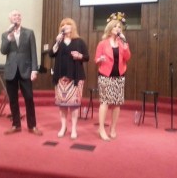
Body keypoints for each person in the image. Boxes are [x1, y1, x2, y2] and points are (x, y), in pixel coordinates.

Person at [0, 9, 42, 136]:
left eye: (18, 15)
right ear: (10, 19)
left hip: (26, 70)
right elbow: (3, 51)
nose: (17, 17)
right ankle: (16, 125)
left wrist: (34, 69)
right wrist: (9, 38)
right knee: (13, 99)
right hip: (11, 70)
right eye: (14, 15)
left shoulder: (29, 33)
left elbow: (33, 52)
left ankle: (32, 126)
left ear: (21, 18)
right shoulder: (5, 34)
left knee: (29, 98)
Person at [49, 18, 89, 139]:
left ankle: (74, 129)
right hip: (61, 77)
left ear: (72, 27)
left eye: (68, 24)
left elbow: (87, 57)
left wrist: (79, 56)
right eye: (63, 25)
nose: (65, 26)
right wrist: (56, 42)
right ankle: (63, 126)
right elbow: (51, 54)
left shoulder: (79, 41)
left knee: (74, 104)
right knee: (62, 104)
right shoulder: (59, 41)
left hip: (76, 77)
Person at [94, 12, 131, 141]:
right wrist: (100, 58)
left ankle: (113, 128)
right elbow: (96, 59)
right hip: (105, 76)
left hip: (119, 76)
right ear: (110, 29)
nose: (118, 29)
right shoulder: (102, 43)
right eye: (115, 27)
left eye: (119, 27)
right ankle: (102, 129)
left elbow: (127, 57)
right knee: (104, 102)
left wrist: (125, 45)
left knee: (116, 103)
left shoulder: (122, 43)